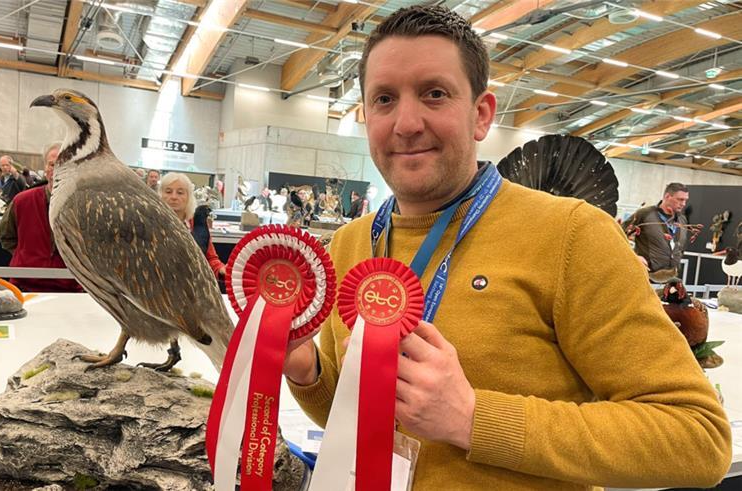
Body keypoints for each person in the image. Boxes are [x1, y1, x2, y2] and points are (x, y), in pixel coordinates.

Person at [282, 6, 730, 490]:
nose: (406, 122)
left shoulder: (572, 235)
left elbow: (698, 438)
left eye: (435, 94)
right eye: (384, 99)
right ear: (366, 115)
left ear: (481, 114)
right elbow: (358, 418)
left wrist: (474, 418)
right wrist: (306, 371)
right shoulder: (351, 243)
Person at [0, 142, 82, 292]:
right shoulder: (21, 201)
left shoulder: (84, 207)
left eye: (65, 164)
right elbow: (6, 237)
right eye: (52, 164)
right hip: (25, 286)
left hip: (71, 289)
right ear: (45, 168)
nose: (57, 170)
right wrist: (26, 255)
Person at [159, 172, 225, 280]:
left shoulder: (197, 224)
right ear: (160, 194)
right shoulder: (153, 223)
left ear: (189, 197)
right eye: (168, 191)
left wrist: (222, 270)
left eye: (180, 193)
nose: (174, 197)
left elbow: (210, 260)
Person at [623, 183, 690, 282]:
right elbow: (618, 233)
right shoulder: (644, 214)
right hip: (645, 277)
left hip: (671, 279)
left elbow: (681, 247)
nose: (683, 204)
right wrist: (633, 256)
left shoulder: (682, 220)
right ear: (667, 196)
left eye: (685, 200)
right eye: (680, 199)